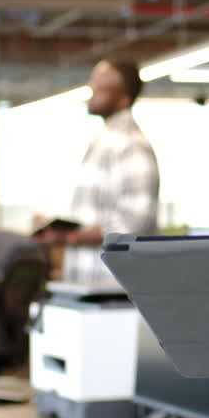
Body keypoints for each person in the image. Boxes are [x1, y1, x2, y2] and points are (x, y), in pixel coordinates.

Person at [48, 59, 160, 284]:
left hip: (114, 291)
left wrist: (71, 237)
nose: (92, 87)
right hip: (91, 286)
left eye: (101, 82)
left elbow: (134, 221)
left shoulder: (131, 145)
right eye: (93, 80)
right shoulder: (104, 141)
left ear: (123, 97)